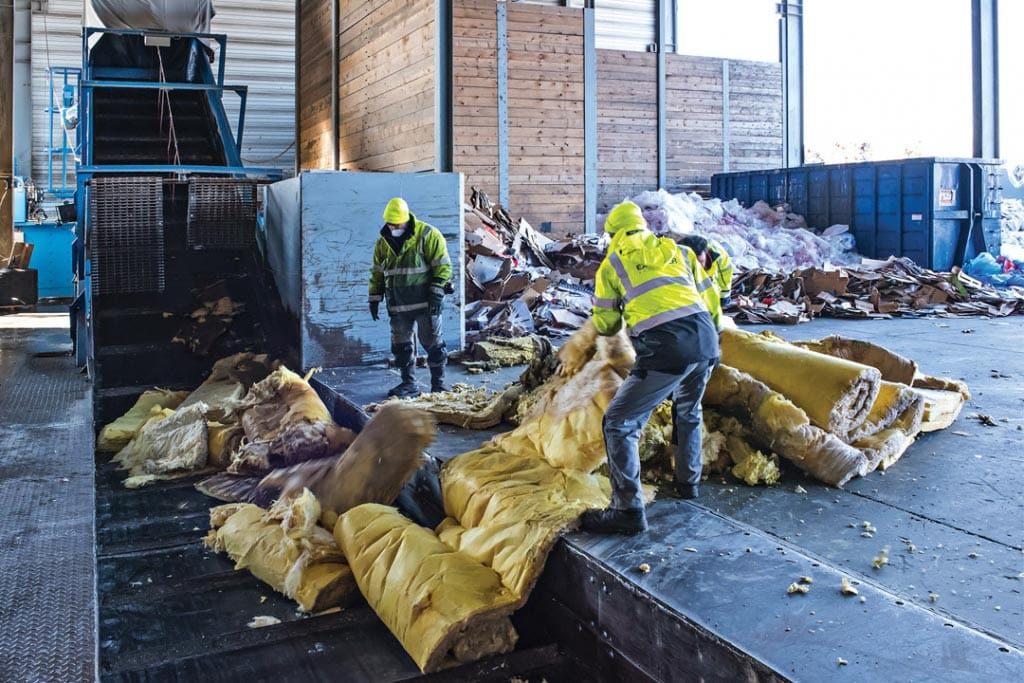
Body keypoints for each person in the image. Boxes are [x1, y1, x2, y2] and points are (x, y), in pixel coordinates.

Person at [581, 201, 720, 535]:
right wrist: (711, 339)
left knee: (619, 423)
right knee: (688, 409)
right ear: (642, 225)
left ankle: (626, 511)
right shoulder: (679, 250)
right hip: (706, 339)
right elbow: (711, 297)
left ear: (612, 233)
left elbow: (606, 324)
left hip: (666, 348)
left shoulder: (613, 263)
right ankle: (688, 483)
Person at [368, 197, 452, 398]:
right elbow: (377, 272)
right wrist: (374, 297)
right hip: (398, 305)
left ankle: (438, 386)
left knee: (433, 345)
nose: (394, 227)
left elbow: (443, 267)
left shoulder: (428, 235)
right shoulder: (382, 243)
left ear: (407, 220)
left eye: (397, 224)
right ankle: (408, 384)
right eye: (391, 224)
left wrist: (437, 293)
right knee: (401, 347)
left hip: (426, 304)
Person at [678, 234, 733, 330]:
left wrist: (724, 294)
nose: (699, 267)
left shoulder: (719, 254)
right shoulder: (678, 258)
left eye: (701, 261)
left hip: (711, 280)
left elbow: (726, 273)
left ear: (706, 252)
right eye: (695, 263)